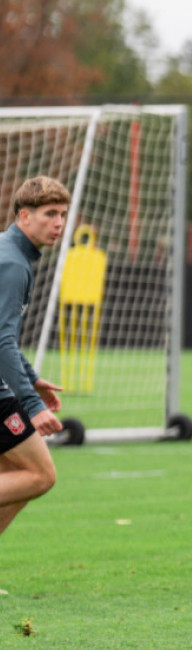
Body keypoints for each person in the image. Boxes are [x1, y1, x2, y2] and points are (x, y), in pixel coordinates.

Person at [0, 176, 67, 541]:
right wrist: (32, 404)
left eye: (62, 214)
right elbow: (0, 341)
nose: (58, 223)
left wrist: (32, 378)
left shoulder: (10, 254)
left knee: (16, 477)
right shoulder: (13, 264)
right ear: (24, 216)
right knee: (40, 476)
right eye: (49, 214)